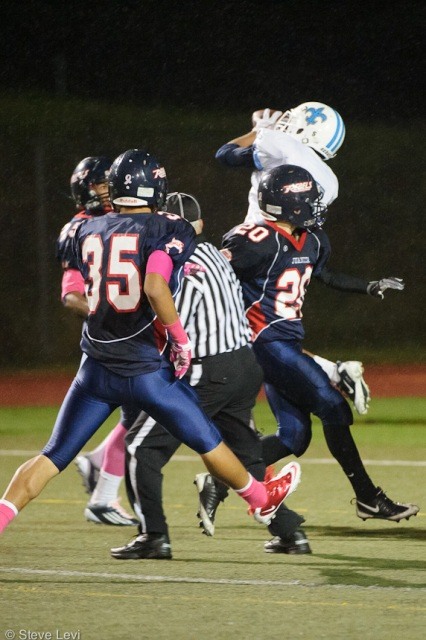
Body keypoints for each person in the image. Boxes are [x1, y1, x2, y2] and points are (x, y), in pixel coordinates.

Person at [0, 150, 302, 545]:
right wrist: (179, 339)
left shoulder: (83, 230)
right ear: (156, 186)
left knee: (51, 456)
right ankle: (261, 499)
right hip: (145, 371)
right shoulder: (168, 227)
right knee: (207, 440)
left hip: (95, 368)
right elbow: (155, 286)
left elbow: (84, 286)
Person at [219, 163, 419, 554]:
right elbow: (208, 275)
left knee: (295, 436)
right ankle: (367, 497)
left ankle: (221, 475)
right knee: (334, 408)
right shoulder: (254, 240)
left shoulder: (311, 239)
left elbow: (324, 275)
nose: (315, 205)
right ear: (286, 204)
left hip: (286, 344)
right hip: (263, 343)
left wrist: (369, 286)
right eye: (307, 199)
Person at [110, 192, 309, 560]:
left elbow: (170, 317)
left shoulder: (176, 258)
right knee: (246, 458)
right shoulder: (217, 254)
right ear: (200, 224)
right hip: (244, 365)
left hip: (207, 369)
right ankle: (290, 532)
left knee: (141, 448)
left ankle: (153, 536)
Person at [215, 102, 371, 417]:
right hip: (292, 259)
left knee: (220, 347)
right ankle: (330, 371)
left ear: (304, 129)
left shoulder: (282, 145)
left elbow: (226, 155)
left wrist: (257, 130)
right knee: (262, 341)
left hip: (253, 253)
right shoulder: (329, 179)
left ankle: (235, 448)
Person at [56, 155, 138, 526]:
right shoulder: (80, 228)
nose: (109, 192)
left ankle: (97, 465)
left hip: (128, 335)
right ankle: (103, 496)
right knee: (141, 412)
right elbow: (72, 294)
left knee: (140, 411)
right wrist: (108, 313)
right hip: (111, 339)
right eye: (102, 185)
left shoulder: (118, 219)